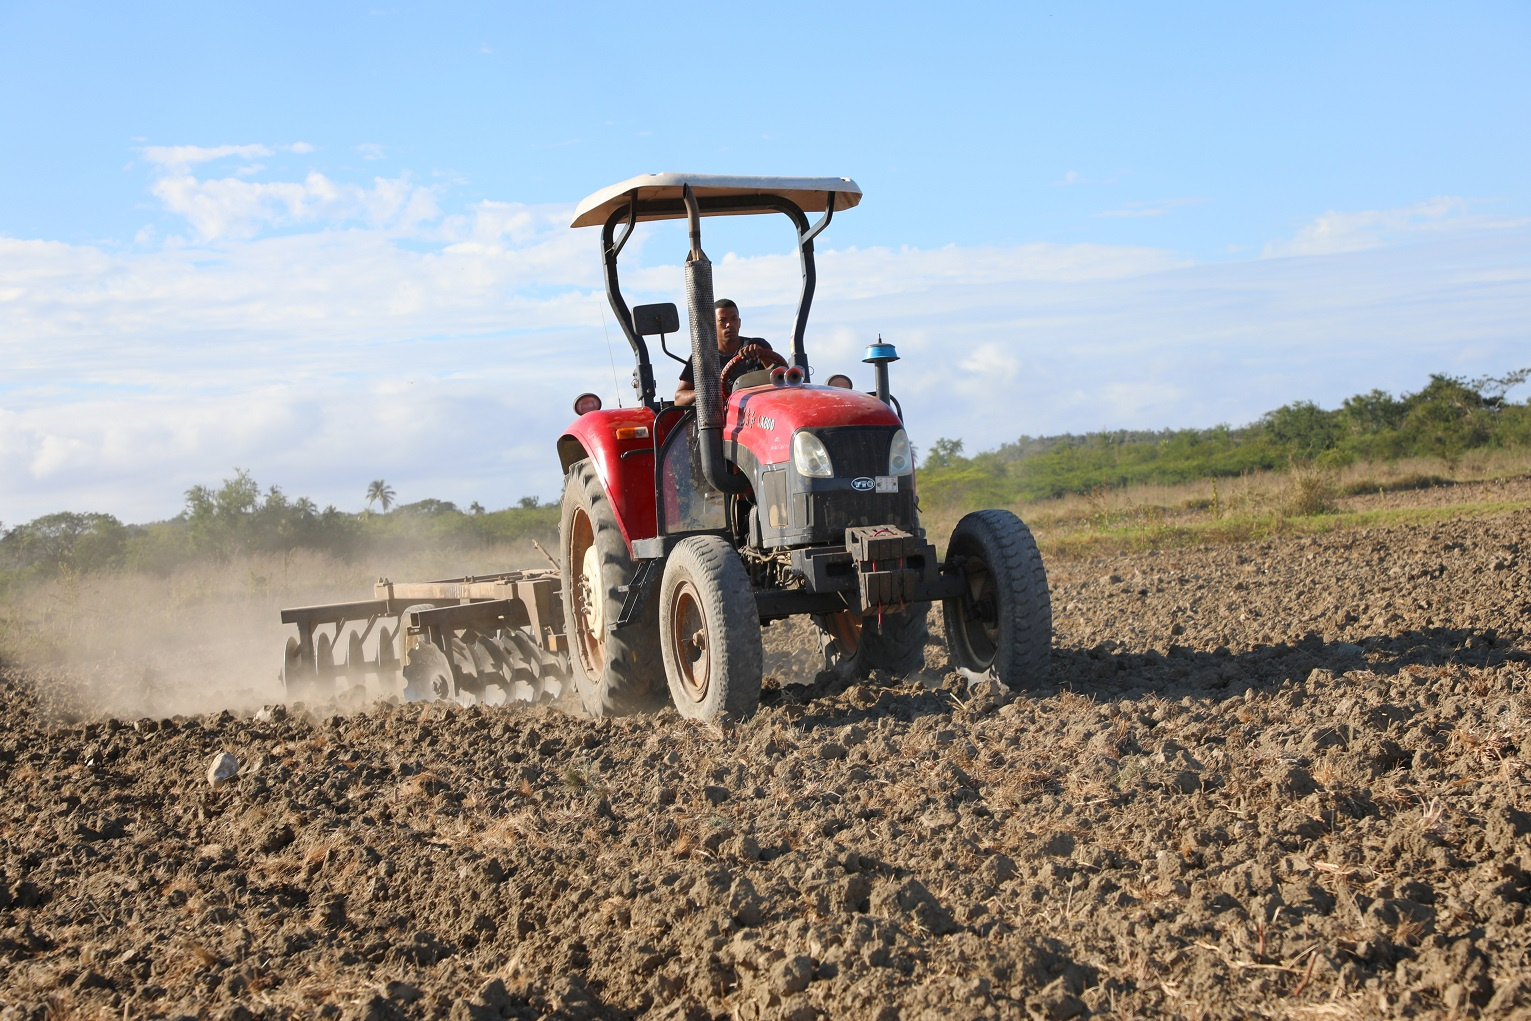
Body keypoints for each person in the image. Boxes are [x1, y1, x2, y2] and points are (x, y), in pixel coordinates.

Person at [673, 299, 783, 406]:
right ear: (712, 325)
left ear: (739, 323)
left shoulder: (759, 346)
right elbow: (679, 399)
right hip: (720, 419)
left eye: (733, 319)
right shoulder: (702, 356)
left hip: (757, 411)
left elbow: (782, 380)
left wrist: (763, 356)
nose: (729, 324)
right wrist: (705, 393)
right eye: (723, 320)